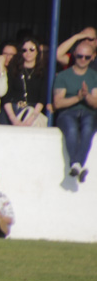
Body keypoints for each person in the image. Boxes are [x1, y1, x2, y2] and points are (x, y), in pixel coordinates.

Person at [52, 41, 97, 181]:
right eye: (79, 56)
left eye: (87, 57)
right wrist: (78, 98)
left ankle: (76, 165)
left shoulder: (94, 76)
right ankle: (77, 164)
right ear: (74, 56)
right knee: (71, 129)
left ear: (93, 57)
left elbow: (95, 103)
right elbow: (58, 103)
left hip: (89, 112)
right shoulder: (63, 76)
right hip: (67, 112)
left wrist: (86, 96)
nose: (83, 59)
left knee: (88, 129)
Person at [1, 37, 47, 126]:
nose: (28, 53)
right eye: (24, 50)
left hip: (33, 112)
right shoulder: (13, 69)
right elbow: (6, 96)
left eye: (32, 49)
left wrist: (31, 118)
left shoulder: (43, 72)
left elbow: (42, 98)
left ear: (37, 51)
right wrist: (13, 119)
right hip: (13, 110)